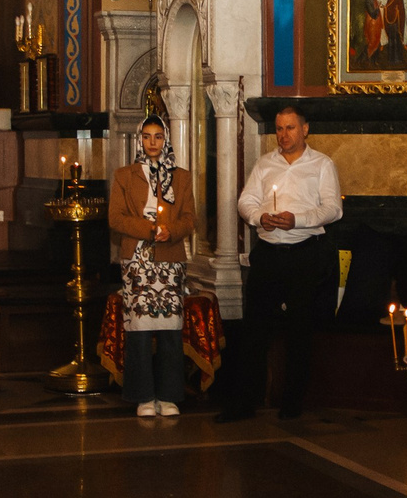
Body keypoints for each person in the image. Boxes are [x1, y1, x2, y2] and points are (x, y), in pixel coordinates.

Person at [219, 104, 343, 422]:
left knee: (299, 330)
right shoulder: (264, 164)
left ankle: (291, 404)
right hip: (269, 253)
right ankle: (245, 402)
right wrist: (261, 216)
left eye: (289, 128)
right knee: (255, 330)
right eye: (278, 128)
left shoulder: (321, 164)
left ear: (304, 129)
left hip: (304, 254)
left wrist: (297, 220)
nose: (283, 135)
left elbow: (333, 209)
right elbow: (245, 201)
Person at [111, 116, 196, 417]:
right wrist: (148, 229)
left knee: (170, 328)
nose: (152, 143)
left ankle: (169, 395)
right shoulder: (124, 175)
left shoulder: (182, 177)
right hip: (137, 260)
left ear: (166, 139)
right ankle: (143, 395)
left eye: (158, 137)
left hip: (170, 258)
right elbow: (116, 219)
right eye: (147, 136)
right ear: (139, 140)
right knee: (140, 330)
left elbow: (190, 218)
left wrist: (170, 231)